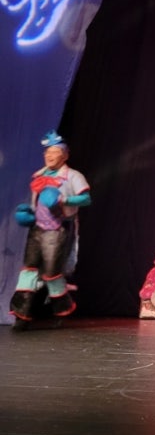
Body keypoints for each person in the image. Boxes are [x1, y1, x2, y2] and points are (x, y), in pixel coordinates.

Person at [10, 131, 91, 330]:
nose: (49, 156)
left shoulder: (73, 176)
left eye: (54, 152)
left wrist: (64, 200)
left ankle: (62, 310)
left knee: (51, 273)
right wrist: (29, 213)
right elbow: (36, 202)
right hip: (37, 229)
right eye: (47, 152)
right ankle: (21, 315)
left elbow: (86, 199)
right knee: (28, 270)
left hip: (58, 229)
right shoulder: (40, 176)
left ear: (64, 155)